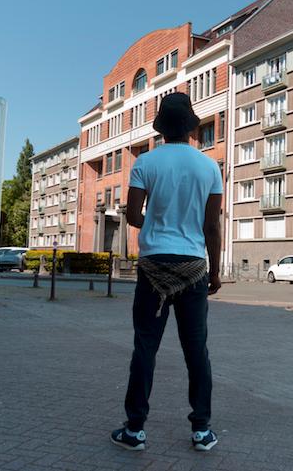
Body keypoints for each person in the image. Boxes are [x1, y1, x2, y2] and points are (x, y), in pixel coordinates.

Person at [110, 92, 223, 452]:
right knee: (196, 351)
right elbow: (212, 227)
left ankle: (135, 429)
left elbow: (131, 215)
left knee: (145, 347)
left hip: (154, 267)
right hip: (193, 268)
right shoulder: (209, 167)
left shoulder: (146, 163)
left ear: (161, 129)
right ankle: (202, 430)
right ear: (191, 128)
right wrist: (216, 272)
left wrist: (155, 223)